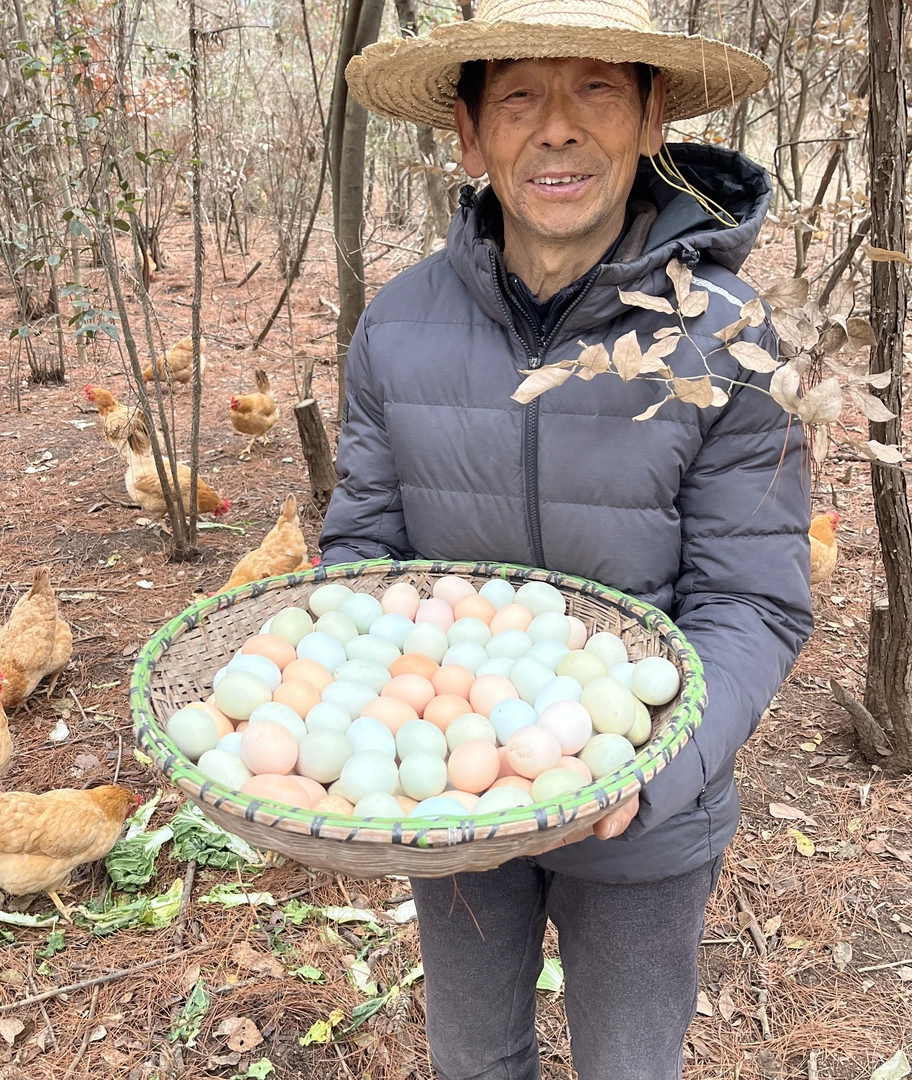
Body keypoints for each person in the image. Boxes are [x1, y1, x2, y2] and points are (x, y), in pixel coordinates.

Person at [319, 0, 814, 1076]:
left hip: (646, 818)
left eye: (595, 89)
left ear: (652, 116)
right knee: (472, 1058)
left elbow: (754, 598)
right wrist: (351, 691)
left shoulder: (726, 338)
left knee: (630, 1064)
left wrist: (655, 765)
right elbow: (363, 543)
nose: (556, 129)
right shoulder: (397, 328)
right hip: (449, 802)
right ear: (468, 133)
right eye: (518, 98)